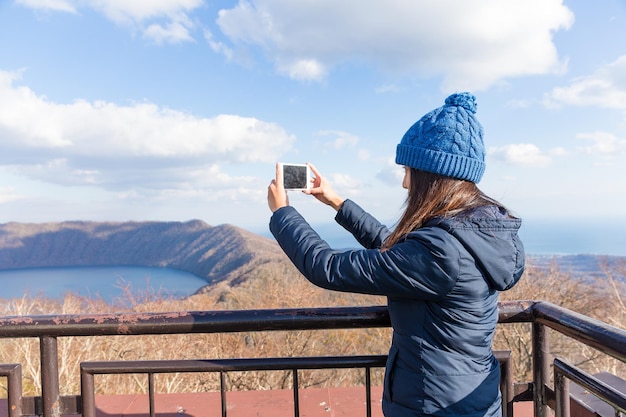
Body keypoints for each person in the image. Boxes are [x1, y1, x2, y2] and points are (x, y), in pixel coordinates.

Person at [267, 92, 525, 417]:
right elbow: (398, 251)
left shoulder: (441, 252)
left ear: (431, 177)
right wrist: (336, 202)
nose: (405, 183)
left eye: (408, 171)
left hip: (432, 406)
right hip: (472, 396)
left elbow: (326, 267)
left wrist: (283, 214)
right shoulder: (474, 233)